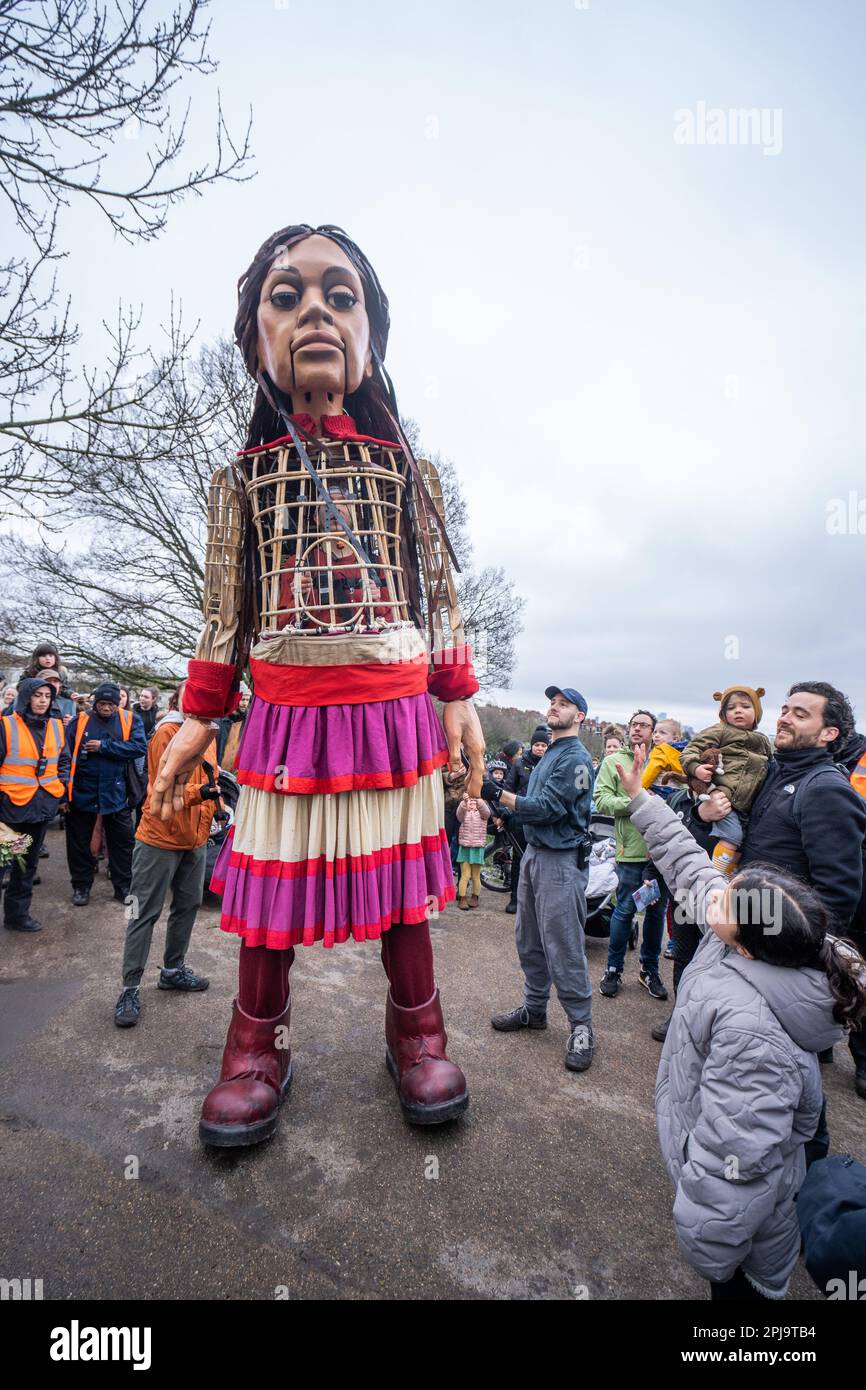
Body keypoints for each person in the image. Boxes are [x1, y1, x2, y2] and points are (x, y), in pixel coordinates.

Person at [150, 223, 485, 1147]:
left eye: (341, 295)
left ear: (371, 331)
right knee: (271, 905)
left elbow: (440, 591)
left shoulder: (410, 475)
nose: (315, 313)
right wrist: (198, 717)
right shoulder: (240, 483)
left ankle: (417, 1034)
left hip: (391, 714)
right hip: (289, 718)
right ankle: (258, 1050)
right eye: (286, 295)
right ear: (256, 334)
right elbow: (224, 613)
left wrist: (458, 693)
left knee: (401, 898)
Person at [615, 744, 866, 1301]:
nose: (716, 898)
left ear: (750, 949)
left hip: (748, 1238)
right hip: (724, 1174)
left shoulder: (756, 1041)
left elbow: (738, 1162)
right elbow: (689, 863)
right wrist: (641, 798)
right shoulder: (743, 936)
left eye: (728, 902)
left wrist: (710, 1247)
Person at [741, 681, 866, 1090]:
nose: (784, 717)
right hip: (752, 938)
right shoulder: (776, 771)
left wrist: (798, 961)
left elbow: (838, 893)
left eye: (800, 713)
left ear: (828, 733)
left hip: (784, 955)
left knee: (785, 1077)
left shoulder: (827, 789)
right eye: (785, 709)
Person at [487, 686, 596, 1073]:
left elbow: (548, 808)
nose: (554, 706)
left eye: (563, 704)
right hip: (534, 856)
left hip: (561, 863)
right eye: (553, 702)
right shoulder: (550, 752)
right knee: (528, 939)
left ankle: (581, 1026)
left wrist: (501, 796)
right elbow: (532, 810)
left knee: (564, 945)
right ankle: (535, 1011)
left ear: (579, 716)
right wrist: (505, 808)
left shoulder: (578, 760)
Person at [114, 683, 217, 1027]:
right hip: (158, 838)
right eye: (193, 695)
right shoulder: (167, 733)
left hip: (195, 839)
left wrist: (217, 802)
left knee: (187, 906)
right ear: (178, 700)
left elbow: (209, 777)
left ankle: (172, 970)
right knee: (141, 911)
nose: (200, 700)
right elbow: (164, 783)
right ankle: (129, 987)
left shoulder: (208, 732)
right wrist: (202, 792)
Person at [594, 710, 670, 1002]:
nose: (637, 729)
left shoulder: (663, 761)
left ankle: (649, 970)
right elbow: (601, 800)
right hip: (631, 850)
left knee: (655, 911)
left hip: (662, 851)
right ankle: (613, 968)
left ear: (652, 731)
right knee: (625, 909)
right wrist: (638, 802)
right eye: (633, 724)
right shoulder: (613, 762)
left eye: (644, 725)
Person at [64, 681, 148, 906]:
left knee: (122, 843)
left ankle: (123, 887)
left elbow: (139, 747)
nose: (106, 708)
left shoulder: (130, 720)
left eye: (111, 704)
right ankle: (81, 886)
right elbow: (64, 756)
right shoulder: (79, 722)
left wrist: (104, 747)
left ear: (118, 703)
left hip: (116, 792)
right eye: (102, 703)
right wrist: (64, 793)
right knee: (79, 843)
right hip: (83, 791)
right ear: (94, 702)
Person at [0, 676, 70, 932]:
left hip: (41, 807)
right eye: (37, 695)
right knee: (2, 864)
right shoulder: (6, 725)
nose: (42, 701)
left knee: (27, 864)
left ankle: (17, 916)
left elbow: (64, 761)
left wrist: (60, 788)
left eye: (47, 696)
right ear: (26, 697)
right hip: (10, 808)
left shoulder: (56, 726)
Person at [680, 686, 771, 874]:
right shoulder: (720, 731)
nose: (738, 710)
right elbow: (690, 751)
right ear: (723, 714)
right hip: (722, 796)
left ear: (757, 712)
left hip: (746, 805)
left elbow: (772, 765)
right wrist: (696, 768)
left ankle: (727, 877)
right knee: (732, 836)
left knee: (741, 844)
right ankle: (716, 876)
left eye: (745, 706)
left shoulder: (763, 741)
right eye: (731, 708)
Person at [499, 725, 549, 915]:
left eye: (544, 745)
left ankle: (535, 902)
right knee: (519, 860)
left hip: (540, 819)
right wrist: (505, 812)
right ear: (532, 745)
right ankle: (515, 899)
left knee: (539, 862)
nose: (540, 748)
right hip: (519, 818)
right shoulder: (520, 764)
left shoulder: (550, 763)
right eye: (537, 744)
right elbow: (509, 788)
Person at [455, 793, 491, 909]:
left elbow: (487, 814)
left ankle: (475, 896)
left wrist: (479, 801)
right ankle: (463, 897)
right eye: (470, 799)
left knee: (475, 875)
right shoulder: (464, 807)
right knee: (465, 875)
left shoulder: (482, 808)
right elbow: (459, 816)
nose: (472, 801)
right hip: (465, 847)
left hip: (477, 847)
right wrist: (464, 803)